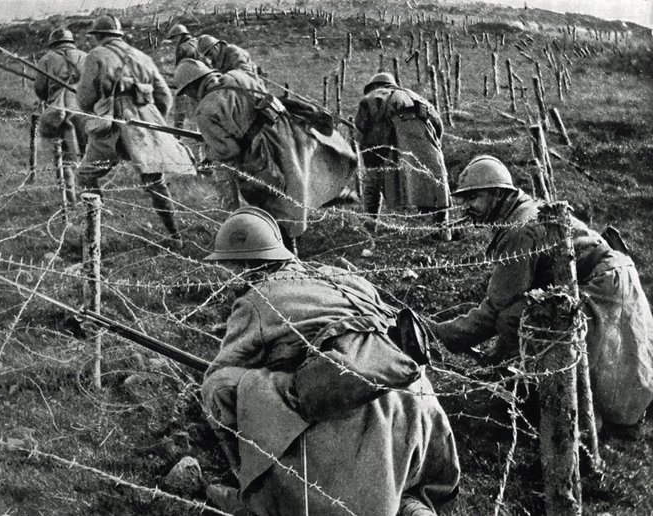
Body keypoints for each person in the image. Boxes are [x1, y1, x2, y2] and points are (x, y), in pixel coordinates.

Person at [201, 206, 461, 515]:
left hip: (356, 409)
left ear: (244, 265)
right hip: (414, 403)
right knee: (397, 489)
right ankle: (410, 507)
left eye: (229, 268)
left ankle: (256, 495)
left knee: (219, 387)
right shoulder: (339, 275)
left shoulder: (255, 301)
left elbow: (221, 372)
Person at [431, 155, 653, 431]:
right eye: (464, 199)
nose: (467, 207)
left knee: (592, 358)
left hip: (602, 285)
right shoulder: (519, 211)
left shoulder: (518, 230)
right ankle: (529, 389)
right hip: (608, 275)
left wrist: (442, 332)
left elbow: (496, 309)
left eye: (474, 197)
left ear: (498, 195)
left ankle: (557, 411)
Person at [173, 58, 357, 255]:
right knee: (300, 182)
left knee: (274, 200)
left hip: (260, 153)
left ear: (193, 87)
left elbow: (229, 151)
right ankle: (334, 196)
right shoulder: (238, 76)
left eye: (188, 92)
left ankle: (286, 252)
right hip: (286, 133)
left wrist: (210, 153)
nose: (190, 97)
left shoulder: (205, 111)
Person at [75, 14, 196, 247]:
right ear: (119, 35)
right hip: (143, 126)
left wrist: (100, 107)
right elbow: (165, 97)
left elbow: (84, 99)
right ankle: (175, 236)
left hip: (112, 128)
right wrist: (150, 115)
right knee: (155, 180)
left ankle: (94, 236)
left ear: (99, 36)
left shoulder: (96, 56)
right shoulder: (142, 57)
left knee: (86, 175)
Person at [355, 72, 450, 230]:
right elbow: (438, 124)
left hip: (390, 142)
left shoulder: (373, 96)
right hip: (424, 139)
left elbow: (360, 124)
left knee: (372, 180)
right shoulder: (414, 95)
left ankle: (369, 226)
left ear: (374, 86)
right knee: (437, 182)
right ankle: (443, 229)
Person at [34, 28, 88, 178]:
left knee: (65, 157)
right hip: (84, 110)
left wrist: (51, 96)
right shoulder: (85, 56)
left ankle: (69, 197)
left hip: (60, 111)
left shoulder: (46, 59)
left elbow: (40, 88)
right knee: (85, 155)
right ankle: (87, 190)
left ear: (53, 43)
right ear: (71, 42)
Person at [165, 24, 199, 130]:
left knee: (179, 110)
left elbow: (179, 69)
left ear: (180, 35)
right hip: (200, 81)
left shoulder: (182, 47)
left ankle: (177, 133)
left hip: (187, 83)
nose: (173, 41)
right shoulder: (196, 42)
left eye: (174, 38)